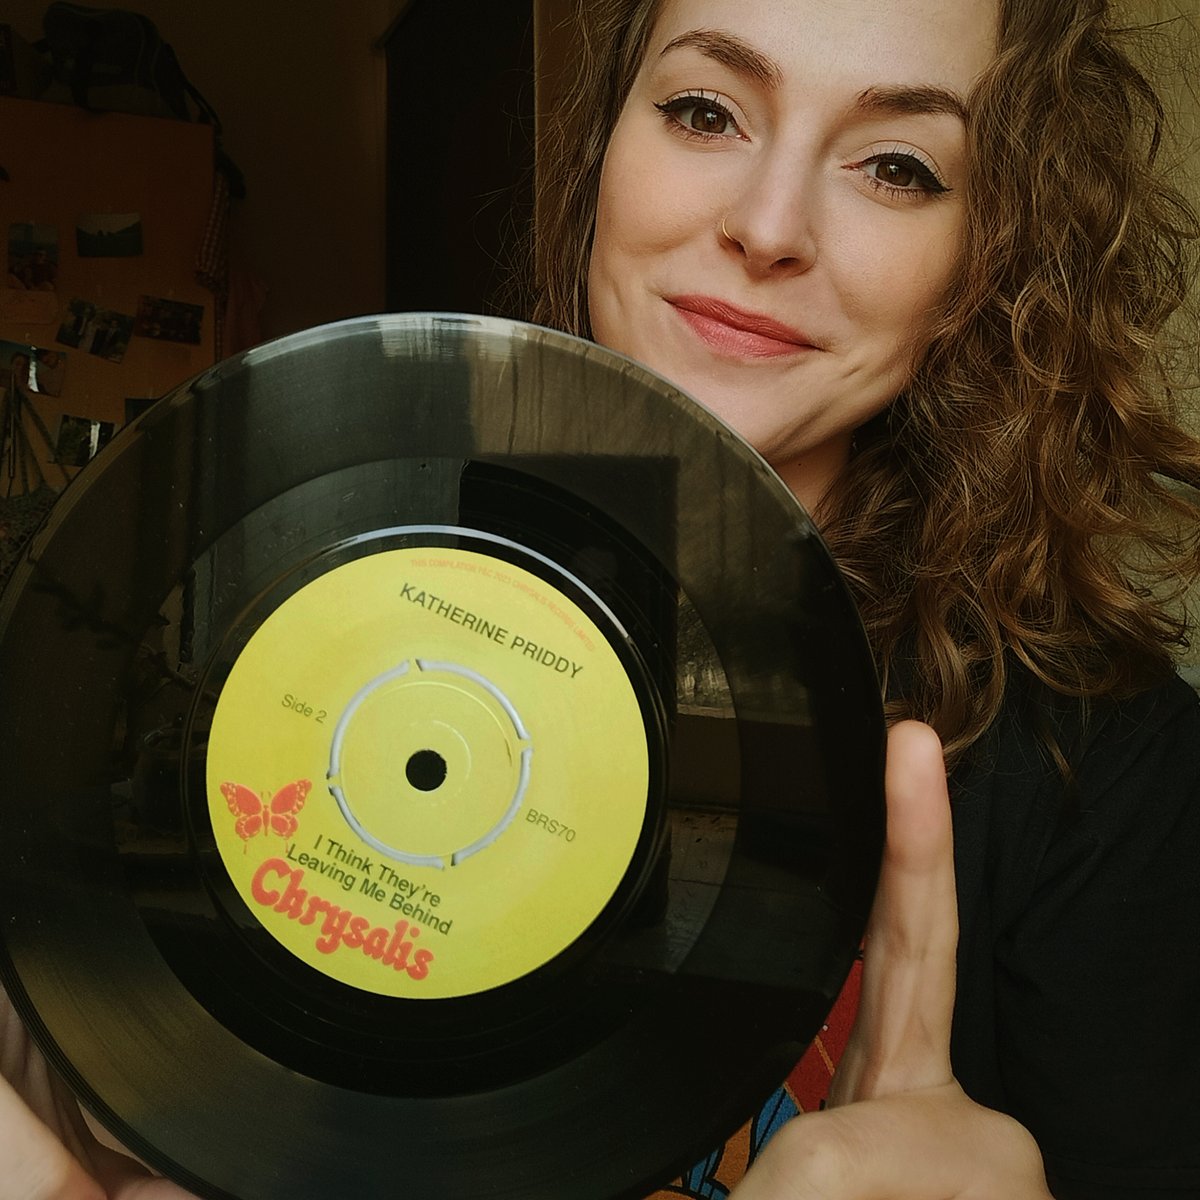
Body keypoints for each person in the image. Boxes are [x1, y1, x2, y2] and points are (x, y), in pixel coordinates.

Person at [2, 1, 1198, 1198]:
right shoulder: (335, 573)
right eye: (705, 111)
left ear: (988, 255)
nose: (767, 228)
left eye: (897, 167)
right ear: (602, 155)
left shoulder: (1114, 775)